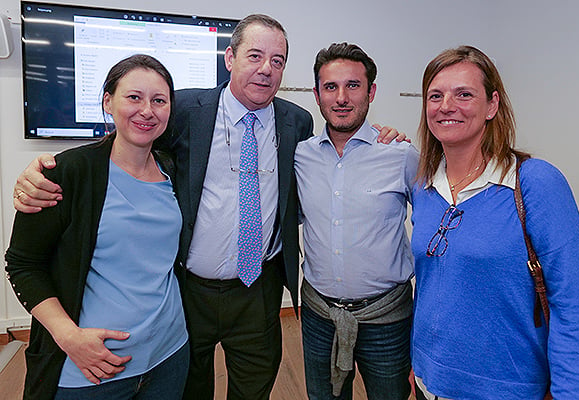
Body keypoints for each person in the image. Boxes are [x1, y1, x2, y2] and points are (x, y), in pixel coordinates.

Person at [11, 15, 403, 399]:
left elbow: (336, 157)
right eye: (254, 56)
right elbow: (129, 143)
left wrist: (384, 135)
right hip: (188, 290)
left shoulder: (295, 122)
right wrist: (42, 170)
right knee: (188, 386)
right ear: (229, 58)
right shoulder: (183, 110)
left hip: (259, 291)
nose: (266, 69)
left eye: (277, 60)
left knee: (255, 387)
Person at [410, 45, 579, 399]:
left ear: (492, 105)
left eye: (464, 94)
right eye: (435, 95)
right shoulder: (424, 186)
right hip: (429, 384)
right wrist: (418, 365)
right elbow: (432, 288)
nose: (446, 105)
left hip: (504, 389)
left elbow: (573, 309)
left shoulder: (535, 183)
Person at [5, 54, 189, 400]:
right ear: (108, 101)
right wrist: (69, 337)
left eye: (159, 100)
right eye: (134, 97)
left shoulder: (172, 170)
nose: (147, 110)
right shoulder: (65, 173)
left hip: (169, 355)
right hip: (90, 369)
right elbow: (22, 264)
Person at [295, 43, 418, 400]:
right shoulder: (300, 156)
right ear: (317, 94)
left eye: (353, 85)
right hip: (319, 316)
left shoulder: (400, 155)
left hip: (387, 319)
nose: (342, 97)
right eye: (330, 87)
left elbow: (433, 226)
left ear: (371, 91)